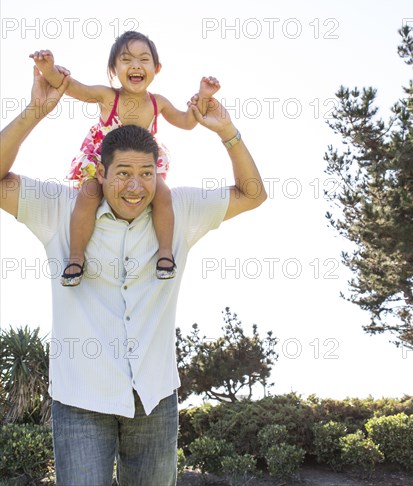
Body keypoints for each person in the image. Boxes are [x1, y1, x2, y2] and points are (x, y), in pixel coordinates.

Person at [0, 66, 267, 485]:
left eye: (146, 174)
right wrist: (35, 110)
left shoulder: (179, 211)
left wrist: (227, 131)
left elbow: (253, 195)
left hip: (155, 400)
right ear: (100, 173)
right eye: (123, 173)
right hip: (79, 400)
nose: (135, 187)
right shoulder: (60, 209)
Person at [30, 31, 220, 285]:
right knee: (88, 195)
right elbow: (73, 88)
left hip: (140, 165)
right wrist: (49, 69)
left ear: (157, 68)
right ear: (113, 68)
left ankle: (165, 254)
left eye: (144, 59)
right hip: (103, 161)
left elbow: (187, 122)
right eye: (126, 59)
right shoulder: (108, 96)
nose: (136, 65)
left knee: (163, 195)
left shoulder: (158, 103)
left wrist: (204, 97)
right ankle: (76, 257)